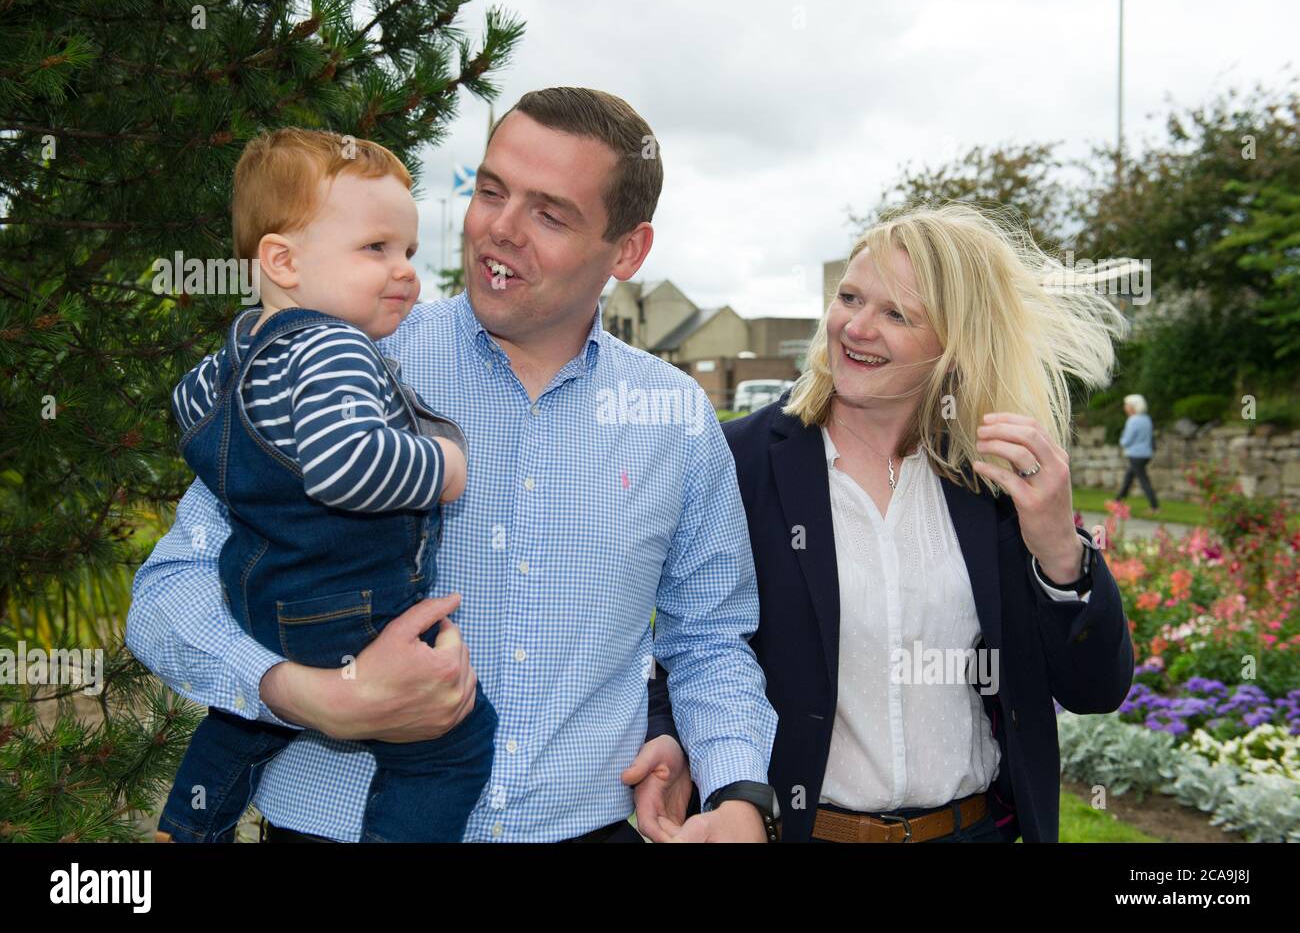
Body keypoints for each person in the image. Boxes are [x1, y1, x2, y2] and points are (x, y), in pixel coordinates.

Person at [128, 87, 778, 843]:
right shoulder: (342, 361)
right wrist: (310, 694)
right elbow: (166, 594)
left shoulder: (676, 417)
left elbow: (708, 639)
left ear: (628, 250)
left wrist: (737, 794)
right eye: (491, 191)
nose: (499, 230)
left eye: (549, 212)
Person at [652, 203, 1135, 841]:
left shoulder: (992, 482)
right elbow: (689, 641)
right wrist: (669, 738)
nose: (856, 326)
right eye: (850, 297)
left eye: (896, 314)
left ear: (955, 343)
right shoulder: (740, 460)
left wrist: (1058, 552)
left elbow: (1094, 687)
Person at [150, 128, 495, 842]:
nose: (406, 271)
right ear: (281, 259)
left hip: (259, 600)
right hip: (351, 608)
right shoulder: (337, 343)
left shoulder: (234, 357)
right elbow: (346, 466)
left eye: (407, 250)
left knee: (245, 718)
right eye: (376, 249)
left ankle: (190, 820)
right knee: (454, 747)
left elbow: (191, 414)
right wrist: (445, 467)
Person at [1116, 394, 1159, 511]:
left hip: (1136, 454)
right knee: (1128, 477)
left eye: (1127, 405)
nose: (1125, 407)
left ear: (1133, 407)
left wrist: (1121, 440)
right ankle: (1118, 501)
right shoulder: (1147, 419)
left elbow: (1127, 440)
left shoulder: (1133, 420)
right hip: (1146, 454)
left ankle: (1154, 506)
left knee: (1143, 480)